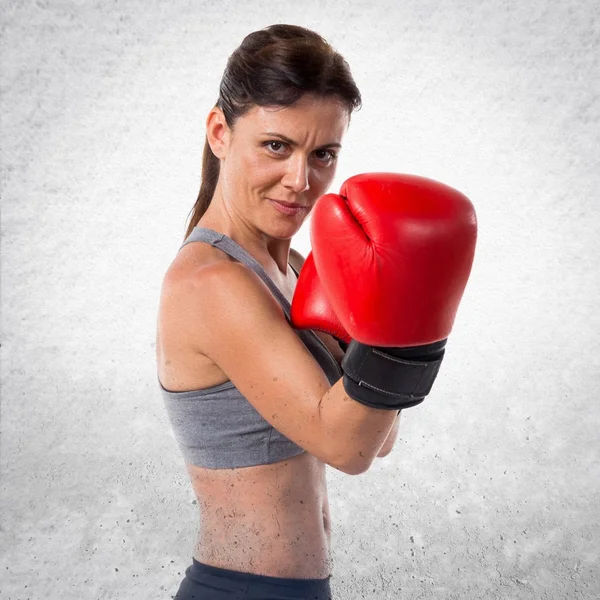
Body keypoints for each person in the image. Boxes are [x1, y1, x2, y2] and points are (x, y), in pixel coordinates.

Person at [156, 24, 477, 600]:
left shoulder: (299, 268)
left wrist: (379, 334)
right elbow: (346, 447)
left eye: (323, 153)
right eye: (276, 146)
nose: (301, 182)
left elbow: (377, 439)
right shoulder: (211, 282)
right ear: (220, 132)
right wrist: (405, 342)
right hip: (240, 590)